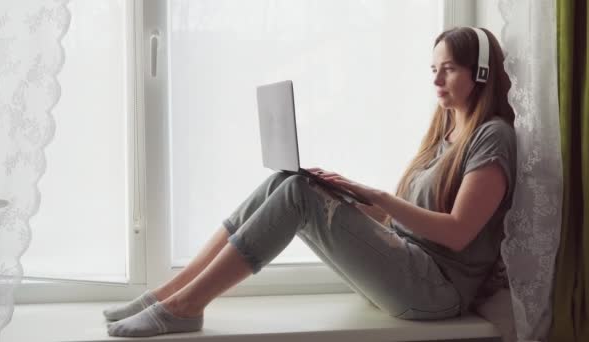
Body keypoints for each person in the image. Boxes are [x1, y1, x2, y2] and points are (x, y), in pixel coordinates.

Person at [104, 26, 517, 338]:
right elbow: (404, 221)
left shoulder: (492, 135)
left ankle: (186, 305)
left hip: (436, 292)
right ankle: (168, 294)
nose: (436, 81)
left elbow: (460, 233)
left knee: (299, 195)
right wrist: (347, 193)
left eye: (448, 70)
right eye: (433, 70)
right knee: (288, 181)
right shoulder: (441, 136)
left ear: (481, 72)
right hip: (407, 267)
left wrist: (380, 197)